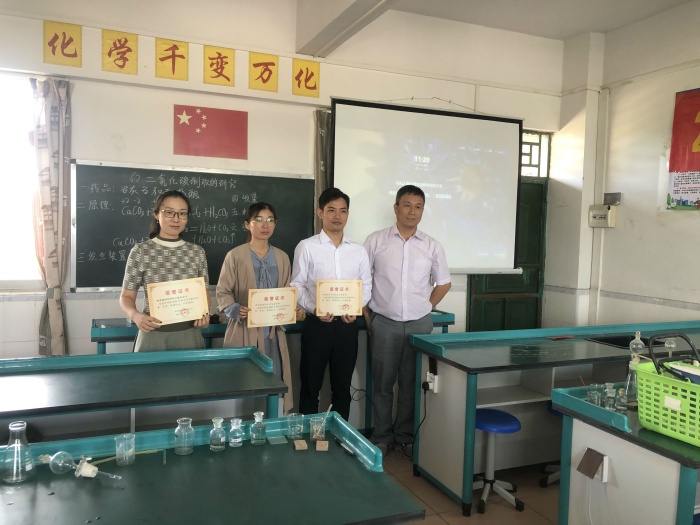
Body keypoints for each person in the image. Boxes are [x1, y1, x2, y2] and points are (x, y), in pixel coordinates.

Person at [364, 185, 451, 459]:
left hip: (419, 325)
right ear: (396, 208)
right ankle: (382, 437)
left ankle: (405, 436)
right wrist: (368, 316)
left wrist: (426, 307)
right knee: (382, 385)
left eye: (418, 207)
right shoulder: (376, 241)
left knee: (412, 384)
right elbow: (361, 280)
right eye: (407, 205)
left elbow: (444, 282)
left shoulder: (432, 245)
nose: (412, 211)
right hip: (384, 323)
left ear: (422, 210)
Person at [291, 187, 372, 422]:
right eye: (331, 210)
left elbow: (366, 286)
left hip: (347, 327)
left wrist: (355, 308)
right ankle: (307, 438)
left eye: (343, 211)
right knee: (310, 387)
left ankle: (339, 438)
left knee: (342, 389)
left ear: (348, 214)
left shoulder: (358, 250)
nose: (337, 216)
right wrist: (315, 308)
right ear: (320, 213)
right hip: (317, 326)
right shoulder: (307, 246)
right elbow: (297, 285)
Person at [216, 202, 300, 414]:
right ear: (247, 224)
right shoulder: (235, 255)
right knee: (242, 384)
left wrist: (294, 308)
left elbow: (287, 292)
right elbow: (223, 291)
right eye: (259, 220)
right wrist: (235, 308)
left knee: (274, 383)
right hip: (244, 330)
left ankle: (271, 425)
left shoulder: (282, 257)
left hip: (273, 333)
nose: (265, 225)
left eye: (270, 220)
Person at [120, 190, 210, 352]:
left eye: (182, 213)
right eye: (169, 212)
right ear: (156, 214)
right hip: (153, 335)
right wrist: (135, 316)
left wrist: (205, 314)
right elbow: (126, 297)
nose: (176, 219)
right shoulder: (141, 251)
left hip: (190, 334)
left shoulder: (197, 252)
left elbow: (204, 293)